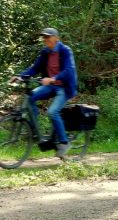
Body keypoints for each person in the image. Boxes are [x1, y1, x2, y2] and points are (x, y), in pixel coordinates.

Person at [12, 28, 78, 159]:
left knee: (52, 112)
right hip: (51, 86)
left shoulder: (65, 51)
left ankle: (64, 143)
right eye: (44, 37)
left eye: (48, 37)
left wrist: (53, 78)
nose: (45, 39)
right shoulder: (46, 52)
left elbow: (69, 70)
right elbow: (35, 68)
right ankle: (34, 128)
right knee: (30, 97)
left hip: (64, 88)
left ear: (56, 38)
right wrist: (20, 76)